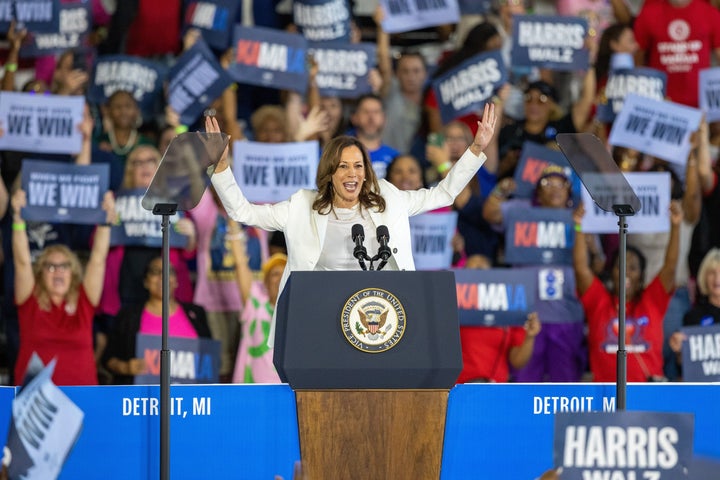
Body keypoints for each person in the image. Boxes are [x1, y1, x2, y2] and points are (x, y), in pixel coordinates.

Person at [208, 103, 498, 344]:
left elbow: (443, 194)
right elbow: (243, 212)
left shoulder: (389, 199)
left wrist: (475, 149)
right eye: (343, 166)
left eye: (358, 166)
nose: (352, 173)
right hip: (320, 323)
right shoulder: (301, 207)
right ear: (329, 172)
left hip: (381, 322)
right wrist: (221, 167)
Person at [11, 188, 116, 386]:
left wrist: (105, 222)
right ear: (41, 273)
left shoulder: (85, 301)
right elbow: (22, 262)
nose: (58, 271)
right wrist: (18, 219)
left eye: (64, 266)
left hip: (81, 398)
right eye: (51, 266)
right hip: (36, 405)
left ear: (73, 272)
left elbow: (98, 260)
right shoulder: (29, 301)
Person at [573, 200, 683, 382]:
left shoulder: (652, 300)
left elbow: (670, 267)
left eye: (633, 267)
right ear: (612, 272)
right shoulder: (598, 300)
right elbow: (581, 269)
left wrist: (676, 226)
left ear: (641, 275)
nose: (626, 271)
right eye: (620, 265)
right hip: (605, 396)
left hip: (647, 395)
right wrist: (578, 226)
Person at [102, 256, 211, 384]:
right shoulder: (128, 316)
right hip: (142, 397)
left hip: (190, 398)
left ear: (176, 281)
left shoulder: (197, 313)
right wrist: (125, 367)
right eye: (155, 272)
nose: (162, 276)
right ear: (146, 281)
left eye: (169, 272)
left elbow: (210, 358)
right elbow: (108, 358)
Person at [228, 224, 286, 383]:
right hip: (252, 391)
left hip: (287, 393)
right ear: (265, 283)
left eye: (284, 273)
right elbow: (240, 263)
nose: (280, 278)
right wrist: (233, 223)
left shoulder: (298, 313)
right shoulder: (255, 305)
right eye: (275, 274)